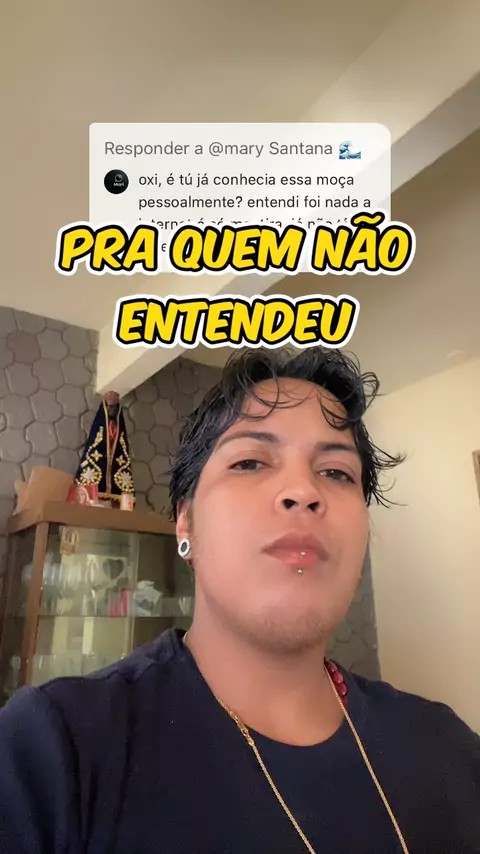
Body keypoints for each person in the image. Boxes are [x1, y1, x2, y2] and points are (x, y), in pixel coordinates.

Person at [0, 347, 479, 854]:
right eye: (250, 462)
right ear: (186, 522)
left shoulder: (448, 749)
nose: (302, 491)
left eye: (337, 472)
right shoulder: (50, 752)